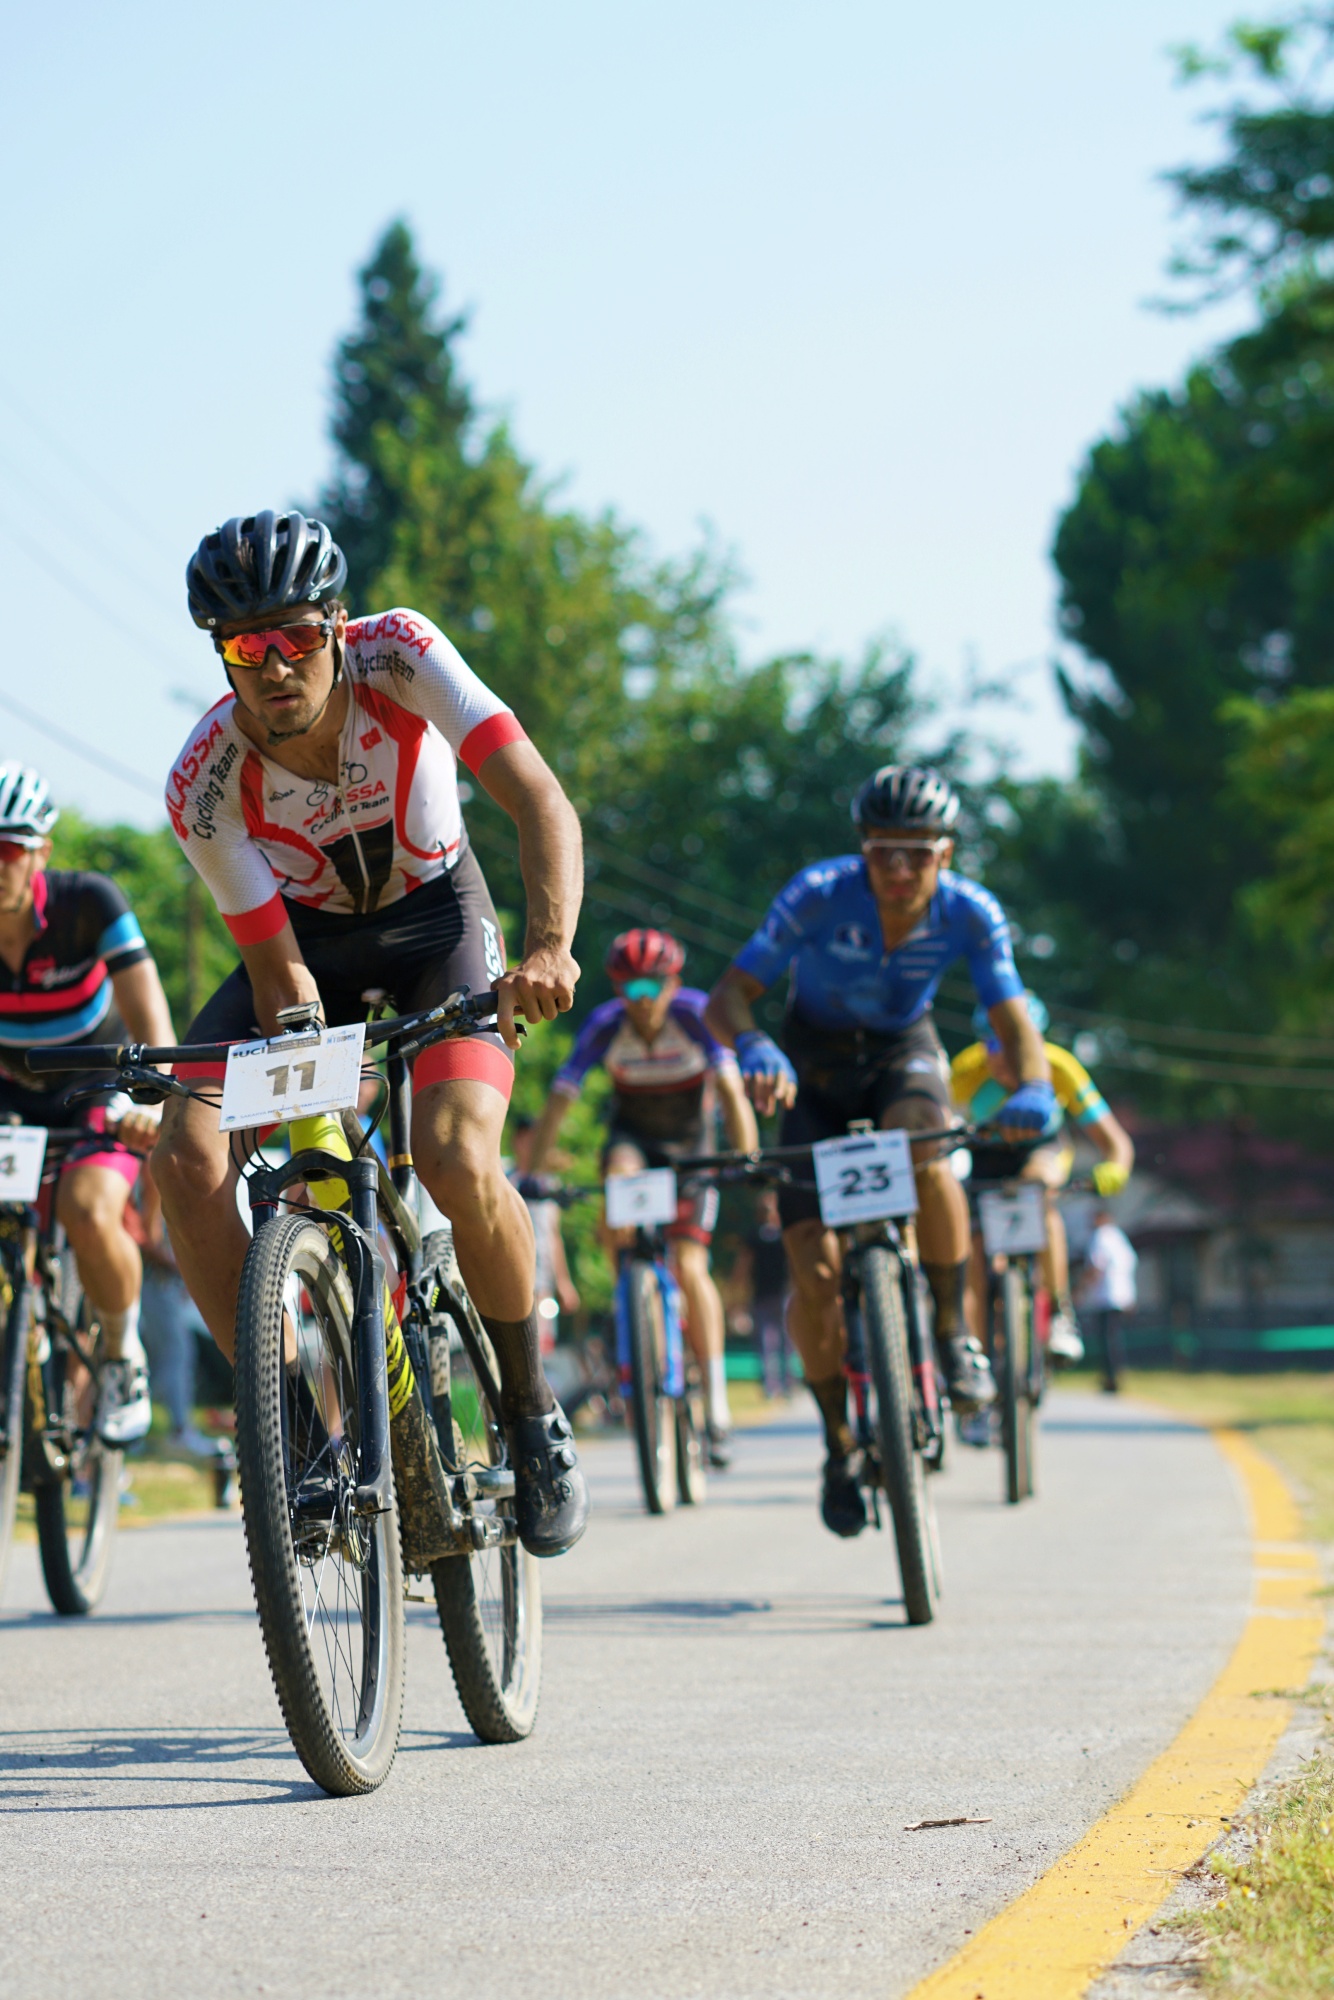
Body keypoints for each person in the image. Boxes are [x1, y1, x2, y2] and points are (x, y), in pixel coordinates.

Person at [152, 511, 588, 1557]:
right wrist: (309, 1092)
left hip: (440, 919)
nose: (272, 665)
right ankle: (292, 1431)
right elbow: (278, 971)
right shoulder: (202, 780)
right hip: (309, 956)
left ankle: (531, 1413)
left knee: (453, 1149)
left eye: (294, 635)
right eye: (243, 646)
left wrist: (548, 945)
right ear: (221, 655)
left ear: (337, 626)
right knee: (184, 1151)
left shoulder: (405, 655)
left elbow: (537, 797)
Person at [706, 764, 1055, 1538]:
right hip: (813, 1068)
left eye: (916, 852)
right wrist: (755, 1044)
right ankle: (837, 1441)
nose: (897, 868)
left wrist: (1035, 1086)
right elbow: (728, 995)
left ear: (946, 854)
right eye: (881, 851)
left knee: (924, 1148)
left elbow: (1012, 1010)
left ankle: (951, 1332)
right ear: (861, 851)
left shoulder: (973, 912)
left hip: (903, 1054)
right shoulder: (818, 892)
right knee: (815, 1271)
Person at [526, 928, 759, 1466]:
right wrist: (534, 1175)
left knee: (691, 1263)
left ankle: (717, 1406)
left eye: (654, 987)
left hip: (692, 1145)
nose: (644, 1001)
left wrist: (745, 1156)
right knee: (619, 1174)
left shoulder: (697, 1016)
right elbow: (560, 1102)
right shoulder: (606, 1026)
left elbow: (730, 1090)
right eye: (629, 990)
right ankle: (634, 1303)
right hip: (635, 1141)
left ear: (675, 983)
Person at [0, 763, 174, 1443]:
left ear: (41, 851)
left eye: (10, 848)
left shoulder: (89, 903)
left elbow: (150, 1018)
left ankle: (120, 1352)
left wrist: (153, 1099)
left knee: (87, 1207)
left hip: (94, 1085)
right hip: (11, 1091)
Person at [950, 992, 1134, 1366]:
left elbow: (1116, 1142)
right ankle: (975, 1351)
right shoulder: (967, 1070)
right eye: (996, 1048)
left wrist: (1114, 1168)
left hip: (1041, 1151)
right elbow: (941, 1128)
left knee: (1039, 1193)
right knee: (971, 1240)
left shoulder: (1060, 1067)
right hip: (985, 1156)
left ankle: (1061, 1315)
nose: (1006, 1061)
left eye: (1018, 1047)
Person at [507, 1113, 580, 1349]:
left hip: (543, 1280)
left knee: (542, 1342)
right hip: (514, 1273)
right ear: (516, 1141)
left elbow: (553, 1236)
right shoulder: (505, 1180)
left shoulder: (550, 1185)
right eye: (527, 1140)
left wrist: (564, 1281)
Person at [1078, 1207, 1138, 1392]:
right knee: (1114, 1339)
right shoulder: (1119, 1237)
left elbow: (1096, 1266)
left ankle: (1111, 1378)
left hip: (1106, 1296)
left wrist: (1080, 1290)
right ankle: (1115, 1375)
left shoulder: (1101, 1236)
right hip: (1122, 1295)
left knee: (1107, 1340)